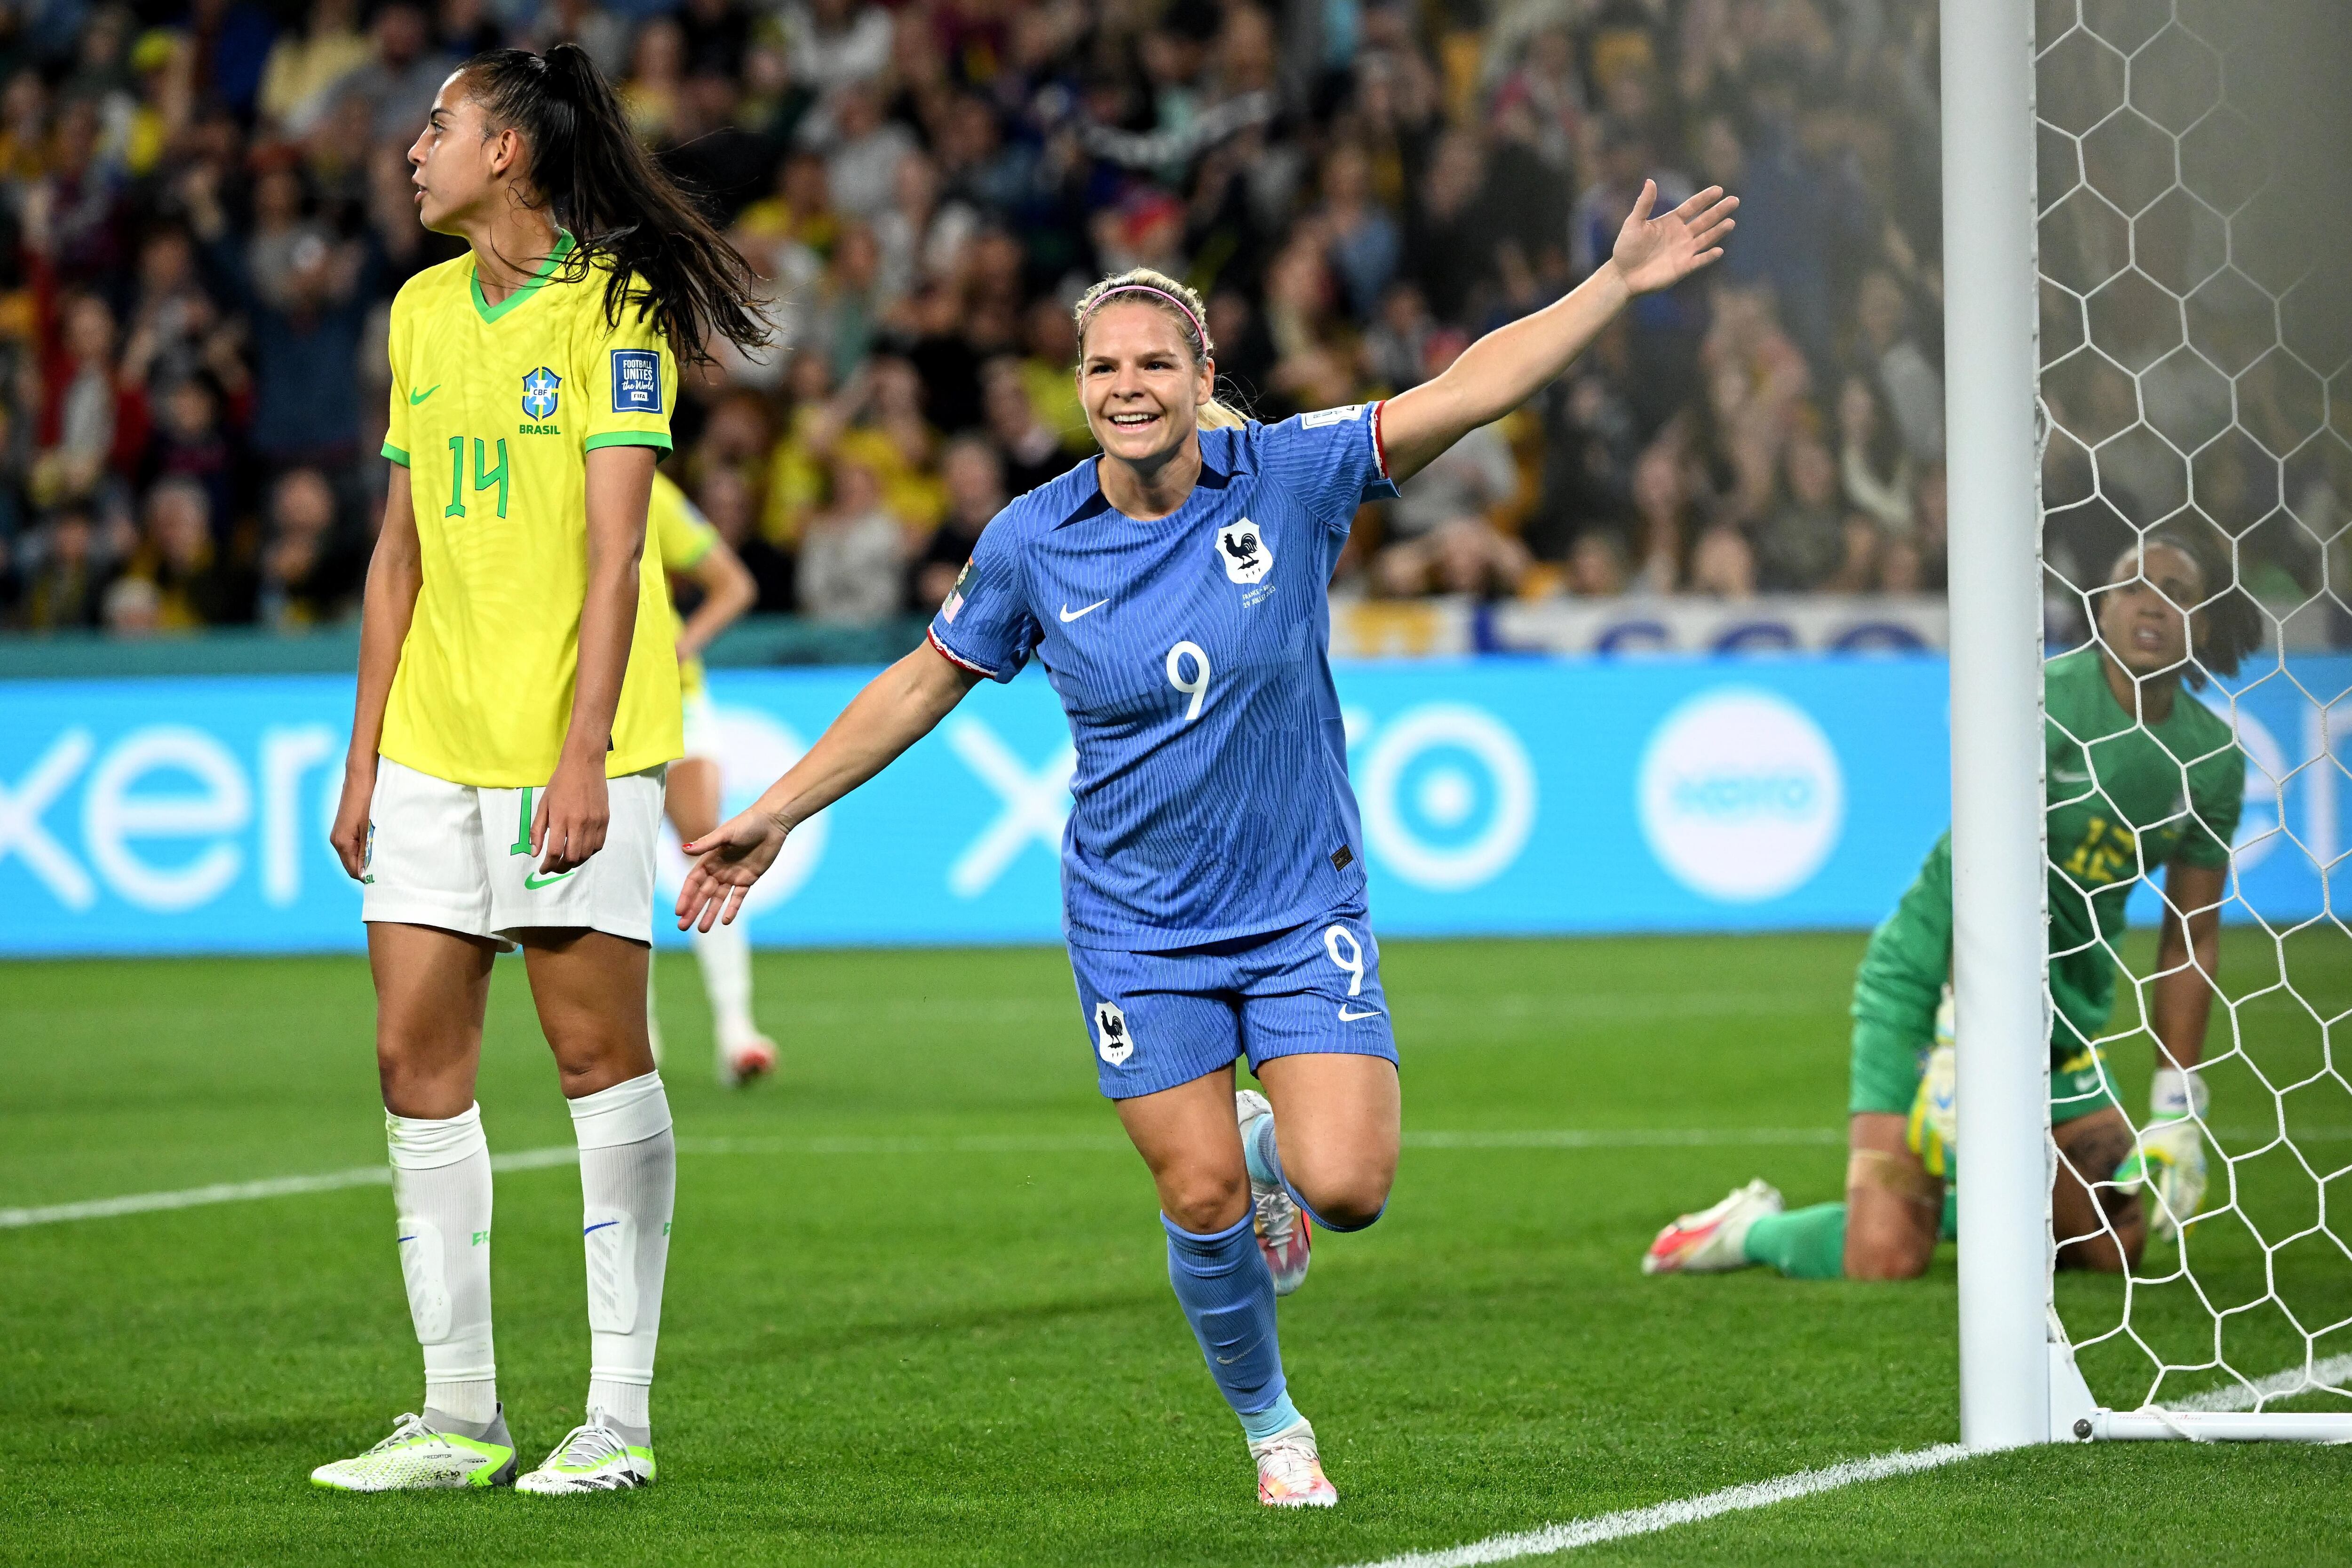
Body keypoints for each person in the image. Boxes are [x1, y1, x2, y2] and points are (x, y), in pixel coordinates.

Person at [675, 181, 1737, 1507]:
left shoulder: (1288, 475)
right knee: (1200, 1196)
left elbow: (1472, 389)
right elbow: (921, 679)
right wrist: (778, 807)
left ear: (1201, 375)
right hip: (1137, 920)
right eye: (1105, 366)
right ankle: (1275, 1426)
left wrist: (1616, 285)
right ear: (1078, 385)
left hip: (1300, 899)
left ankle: (1274, 1145)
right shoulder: (1030, 540)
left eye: (1155, 361)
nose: (1130, 385)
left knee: (1346, 1186)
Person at [314, 43, 763, 1495]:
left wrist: (586, 755)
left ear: (507, 149)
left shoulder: (615, 304)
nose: (414, 148)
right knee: (411, 1060)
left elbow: (621, 551)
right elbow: (399, 548)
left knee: (595, 1061)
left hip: (573, 747)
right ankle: (459, 1417)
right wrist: (364, 750)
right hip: (434, 744)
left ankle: (616, 1418)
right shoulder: (420, 309)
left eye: (438, 126)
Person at [1645, 531, 2254, 1283]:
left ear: (2208, 620)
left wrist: (2178, 1105)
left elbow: (2187, 942)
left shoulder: (2213, 760)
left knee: (2111, 1243)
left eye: (2176, 589)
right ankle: (1751, 1229)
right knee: (1885, 1258)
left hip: (2059, 1020)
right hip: (1932, 985)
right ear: (2102, 607)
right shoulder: (2044, 703)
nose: (2149, 602)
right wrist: (1956, 1037)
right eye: (2131, 584)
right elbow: (1984, 875)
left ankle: (1942, 1201)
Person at [643, 467, 777, 1086]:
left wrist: (680, 645)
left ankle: (735, 1029)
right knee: (608, 864)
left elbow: (732, 584)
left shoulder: (649, 492)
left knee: (707, 843)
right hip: (573, 699)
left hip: (669, 695)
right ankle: (633, 1036)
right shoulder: (542, 481)